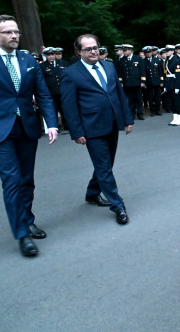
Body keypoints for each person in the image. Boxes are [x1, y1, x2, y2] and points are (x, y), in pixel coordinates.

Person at [0, 14, 58, 257]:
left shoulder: (28, 59)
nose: (14, 35)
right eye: (8, 32)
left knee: (27, 179)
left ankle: (28, 219)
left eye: (16, 31)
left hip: (27, 127)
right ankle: (21, 235)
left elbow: (44, 94)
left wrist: (51, 122)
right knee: (12, 181)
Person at [61, 34, 133, 225]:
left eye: (95, 48)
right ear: (79, 52)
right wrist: (77, 132)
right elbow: (69, 106)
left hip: (112, 124)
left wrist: (127, 119)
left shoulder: (108, 66)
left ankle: (92, 193)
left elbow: (118, 93)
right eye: (88, 49)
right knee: (103, 166)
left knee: (106, 164)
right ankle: (118, 206)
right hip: (91, 128)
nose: (93, 51)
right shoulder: (71, 73)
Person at [40, 47, 67, 130]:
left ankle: (67, 125)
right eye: (49, 55)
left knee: (65, 109)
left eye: (52, 54)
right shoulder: (42, 66)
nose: (51, 56)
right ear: (46, 56)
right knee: (53, 110)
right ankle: (55, 127)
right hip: (51, 93)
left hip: (62, 91)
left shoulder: (62, 63)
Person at [117, 44, 146, 120]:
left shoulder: (138, 58)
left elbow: (142, 70)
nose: (124, 52)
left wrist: (143, 81)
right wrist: (121, 82)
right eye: (123, 50)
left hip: (137, 83)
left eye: (125, 50)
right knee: (130, 100)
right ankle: (132, 113)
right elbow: (120, 73)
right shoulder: (122, 60)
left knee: (139, 99)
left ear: (130, 50)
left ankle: (140, 113)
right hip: (127, 83)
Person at [164, 45, 180, 126]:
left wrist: (177, 87)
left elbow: (178, 75)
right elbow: (166, 74)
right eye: (166, 51)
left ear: (172, 51)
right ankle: (174, 118)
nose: (167, 52)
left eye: (168, 51)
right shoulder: (167, 60)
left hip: (175, 83)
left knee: (177, 102)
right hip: (169, 83)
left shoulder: (176, 61)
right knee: (172, 102)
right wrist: (165, 85)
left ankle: (179, 118)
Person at [143, 46, 163, 116]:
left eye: (149, 52)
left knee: (158, 97)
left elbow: (160, 71)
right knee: (150, 97)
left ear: (152, 52)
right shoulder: (143, 61)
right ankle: (152, 111)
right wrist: (144, 83)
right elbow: (143, 73)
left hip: (157, 81)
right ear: (145, 54)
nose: (148, 54)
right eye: (147, 53)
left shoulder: (157, 60)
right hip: (149, 82)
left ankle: (158, 110)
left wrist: (161, 81)